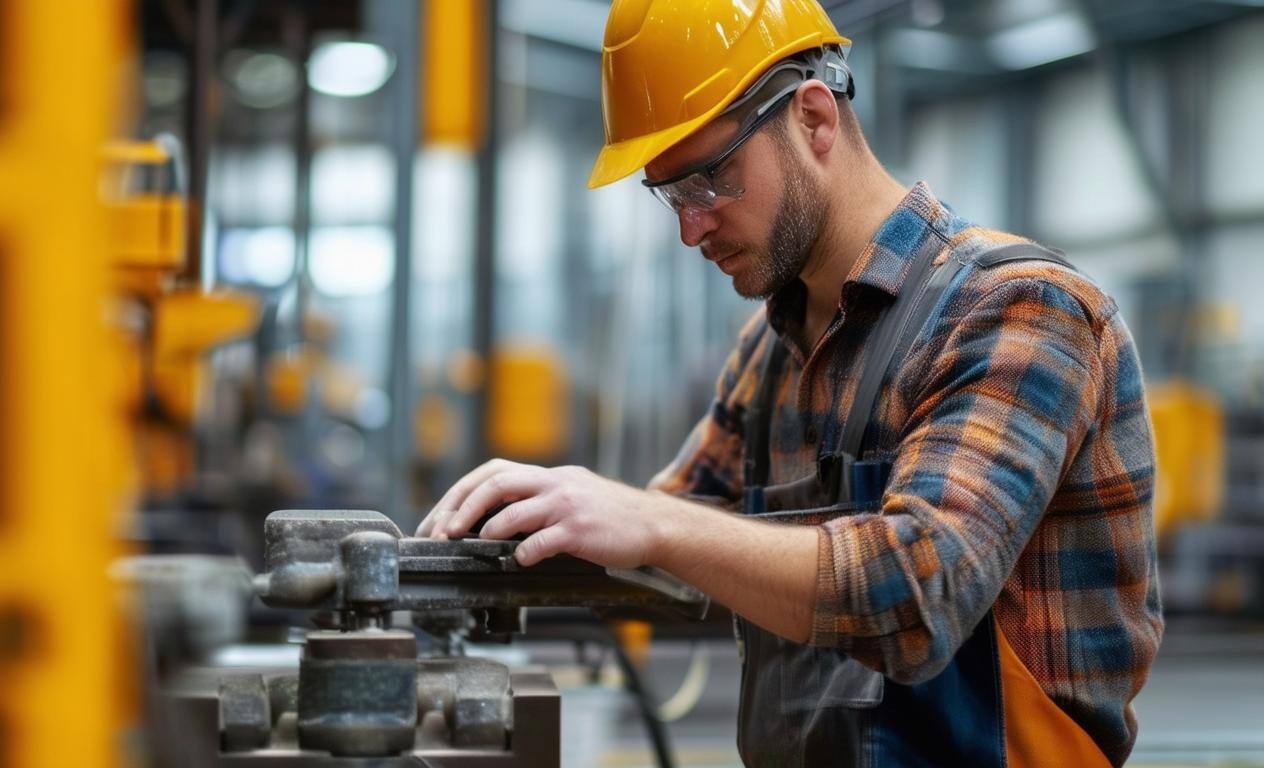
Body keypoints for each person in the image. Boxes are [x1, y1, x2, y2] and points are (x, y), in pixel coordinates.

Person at [417, 1, 1161, 765]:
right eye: (671, 194)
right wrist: (502, 542)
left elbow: (918, 596)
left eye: (709, 180)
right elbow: (669, 540)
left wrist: (656, 527)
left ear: (812, 119)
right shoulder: (773, 348)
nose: (690, 228)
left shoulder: (1017, 309)